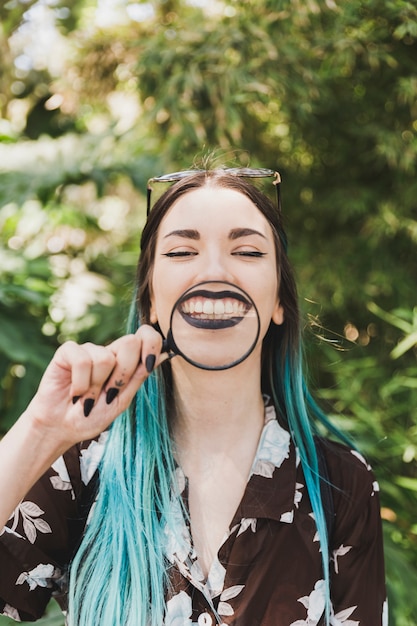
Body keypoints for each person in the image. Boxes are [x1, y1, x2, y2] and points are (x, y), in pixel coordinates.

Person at [0, 168, 387, 625]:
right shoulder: (82, 467)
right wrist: (41, 431)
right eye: (183, 251)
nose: (215, 271)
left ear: (280, 300)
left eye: (246, 251)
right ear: (149, 300)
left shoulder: (340, 485)